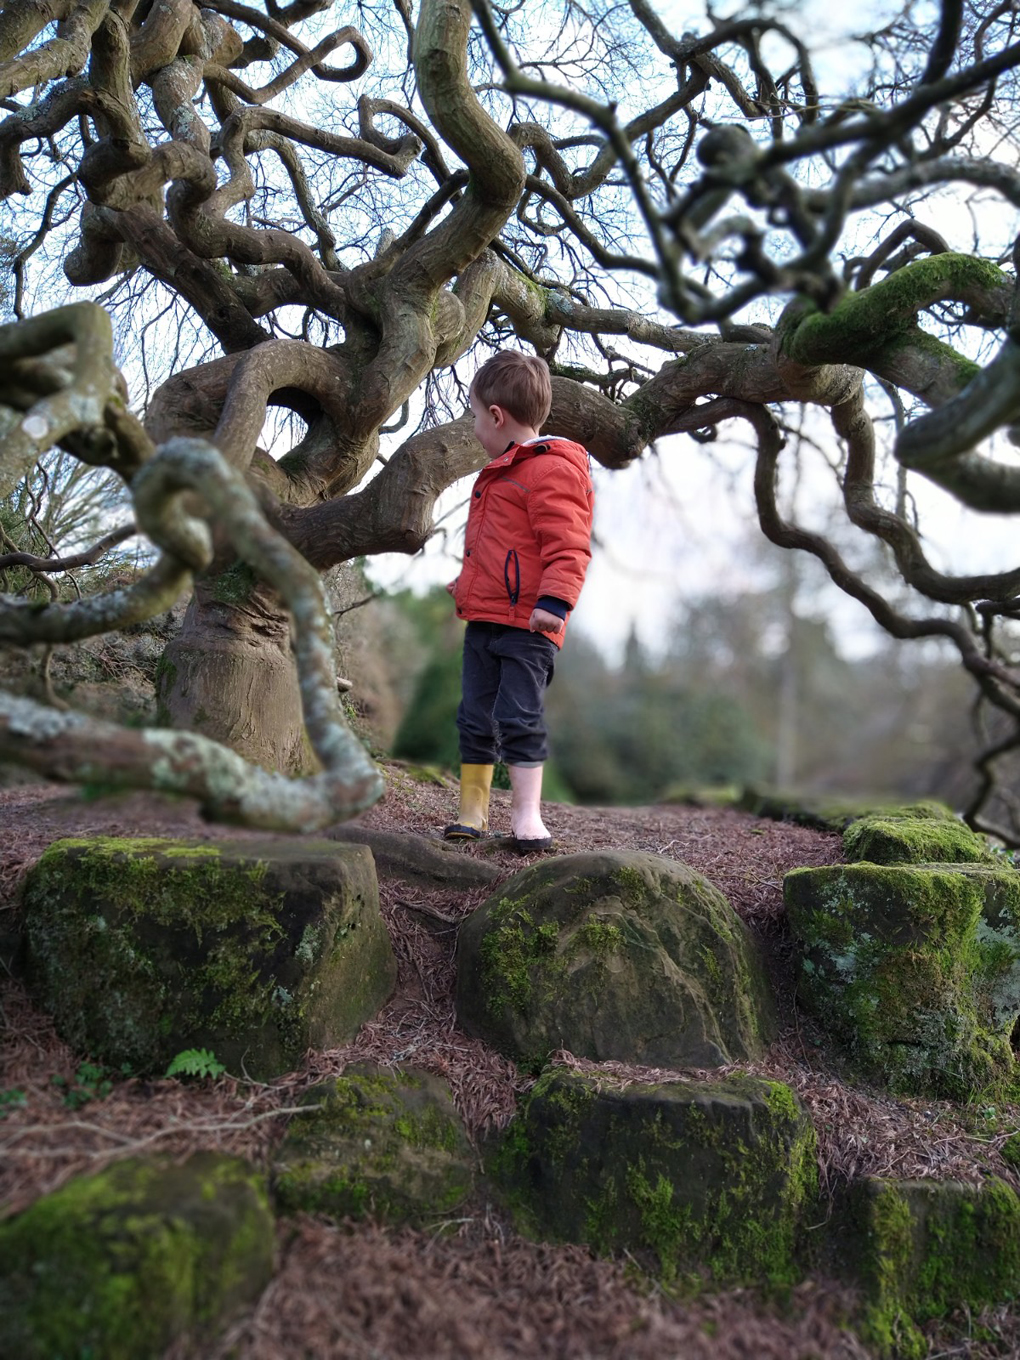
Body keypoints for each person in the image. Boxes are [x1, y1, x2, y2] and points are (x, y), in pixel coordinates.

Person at [444, 351, 594, 852]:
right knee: (473, 715)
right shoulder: (501, 472)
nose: (472, 428)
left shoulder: (550, 470)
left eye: (472, 415)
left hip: (530, 624)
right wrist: (466, 585)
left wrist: (555, 601)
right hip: (485, 618)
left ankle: (527, 814)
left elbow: (568, 544)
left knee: (518, 716)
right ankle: (473, 810)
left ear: (496, 416)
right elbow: (500, 549)